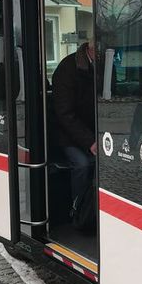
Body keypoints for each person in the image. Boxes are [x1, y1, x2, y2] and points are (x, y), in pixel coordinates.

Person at [52, 41, 97, 226]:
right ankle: (78, 211)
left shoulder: (102, 65)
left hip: (93, 131)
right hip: (67, 135)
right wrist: (90, 142)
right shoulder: (68, 69)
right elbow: (65, 114)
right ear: (91, 48)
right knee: (83, 165)